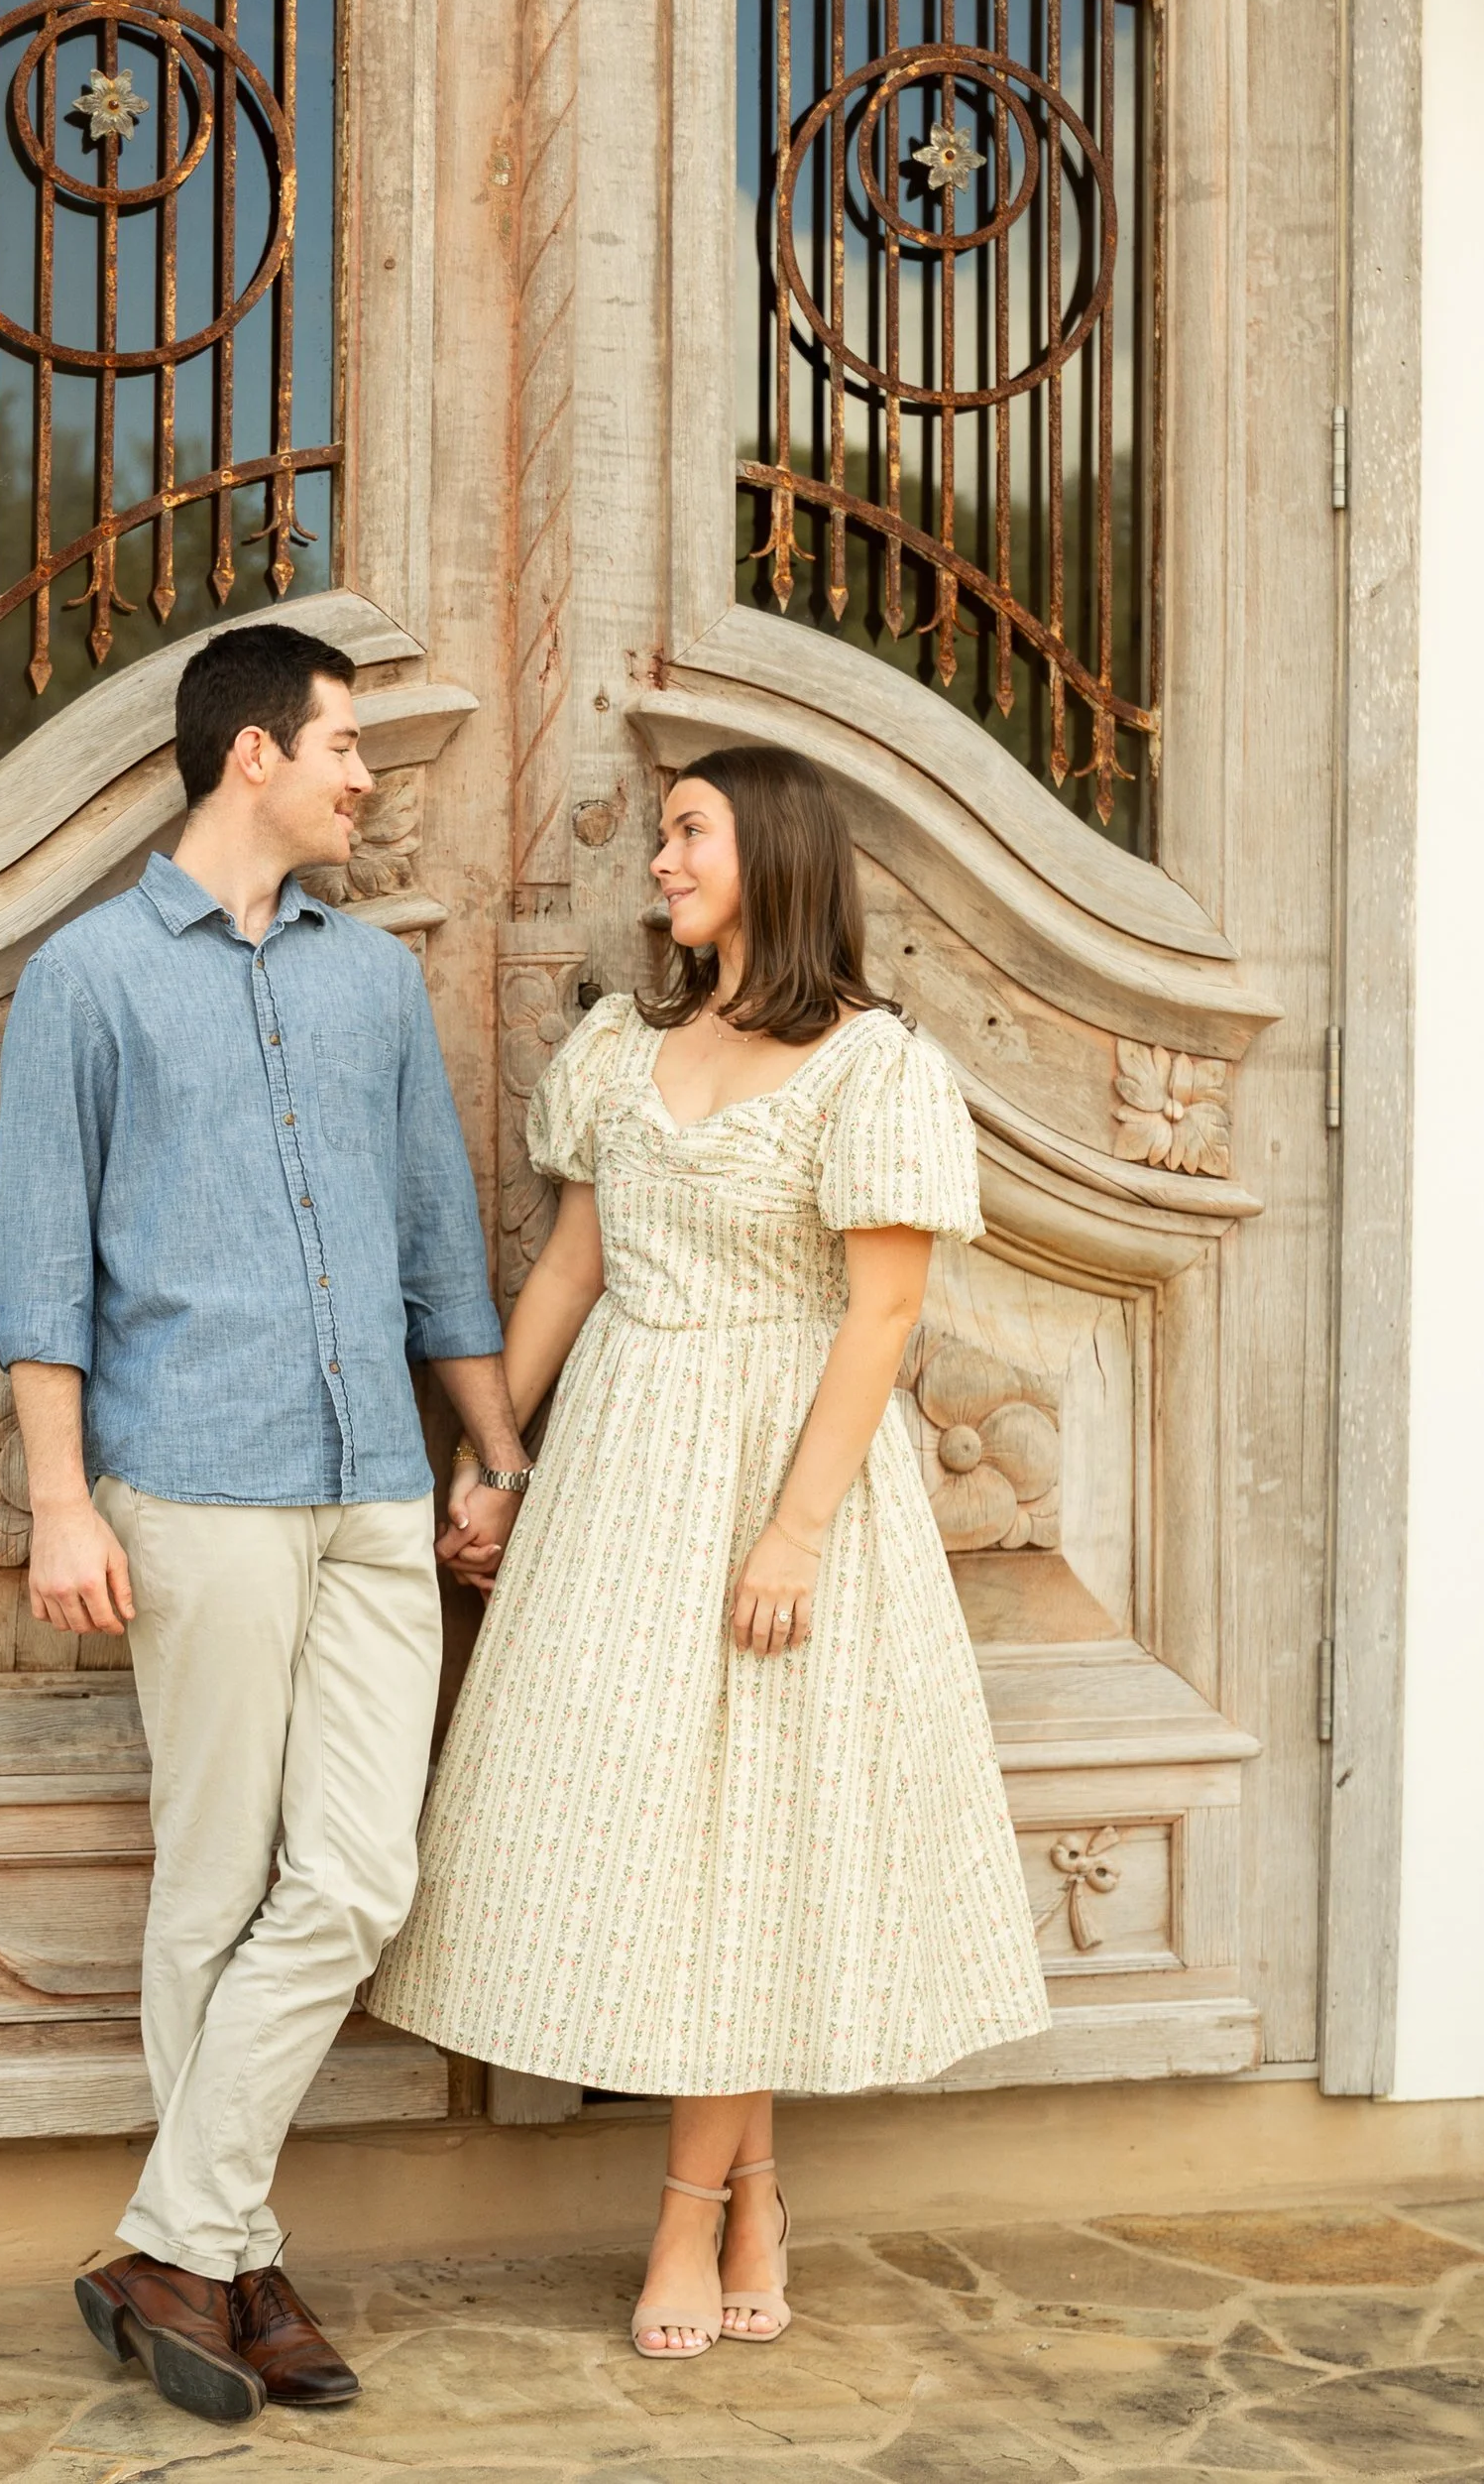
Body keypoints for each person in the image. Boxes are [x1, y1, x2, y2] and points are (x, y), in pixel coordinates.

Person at [368, 742, 1049, 2359]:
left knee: (748, 1839)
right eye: (666, 836)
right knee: (653, 1837)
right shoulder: (626, 1043)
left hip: (783, 1474)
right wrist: (493, 1458)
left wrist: (796, 1534)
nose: (661, 862)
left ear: (777, 855)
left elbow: (884, 1313)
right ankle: (752, 2195)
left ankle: (689, 2217)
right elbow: (564, 1275)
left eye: (689, 835)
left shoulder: (874, 1067)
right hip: (619, 1469)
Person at [0, 619, 526, 2427]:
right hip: (189, 1480)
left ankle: (172, 2239)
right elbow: (37, 1268)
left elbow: (440, 1242)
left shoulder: (373, 986)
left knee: (359, 1876)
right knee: (216, 1882)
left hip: (373, 1476)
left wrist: (489, 1453)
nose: (369, 776)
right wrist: (62, 1501)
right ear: (252, 759)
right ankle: (234, 2250)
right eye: (346, 743)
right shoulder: (91, 981)